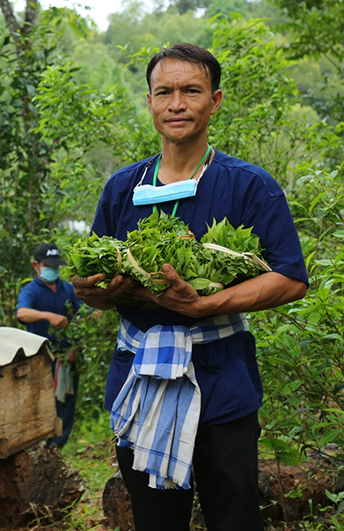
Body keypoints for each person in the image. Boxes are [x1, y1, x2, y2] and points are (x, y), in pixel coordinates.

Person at [72, 43, 308, 531]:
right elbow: (91, 281)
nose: (176, 103)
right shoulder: (122, 187)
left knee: (235, 513)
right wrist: (95, 288)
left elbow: (289, 277)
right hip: (141, 374)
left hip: (221, 379)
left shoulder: (248, 186)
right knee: (155, 517)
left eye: (190, 91)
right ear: (150, 101)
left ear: (215, 101)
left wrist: (207, 304)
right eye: (164, 92)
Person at [16, 243, 83, 449]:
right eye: (48, 265)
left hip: (67, 357)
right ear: (36, 265)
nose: (53, 270)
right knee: (42, 402)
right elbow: (21, 313)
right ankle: (40, 443)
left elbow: (84, 311)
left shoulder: (68, 290)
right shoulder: (31, 291)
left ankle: (57, 446)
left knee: (66, 402)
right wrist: (48, 316)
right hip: (42, 358)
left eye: (56, 266)